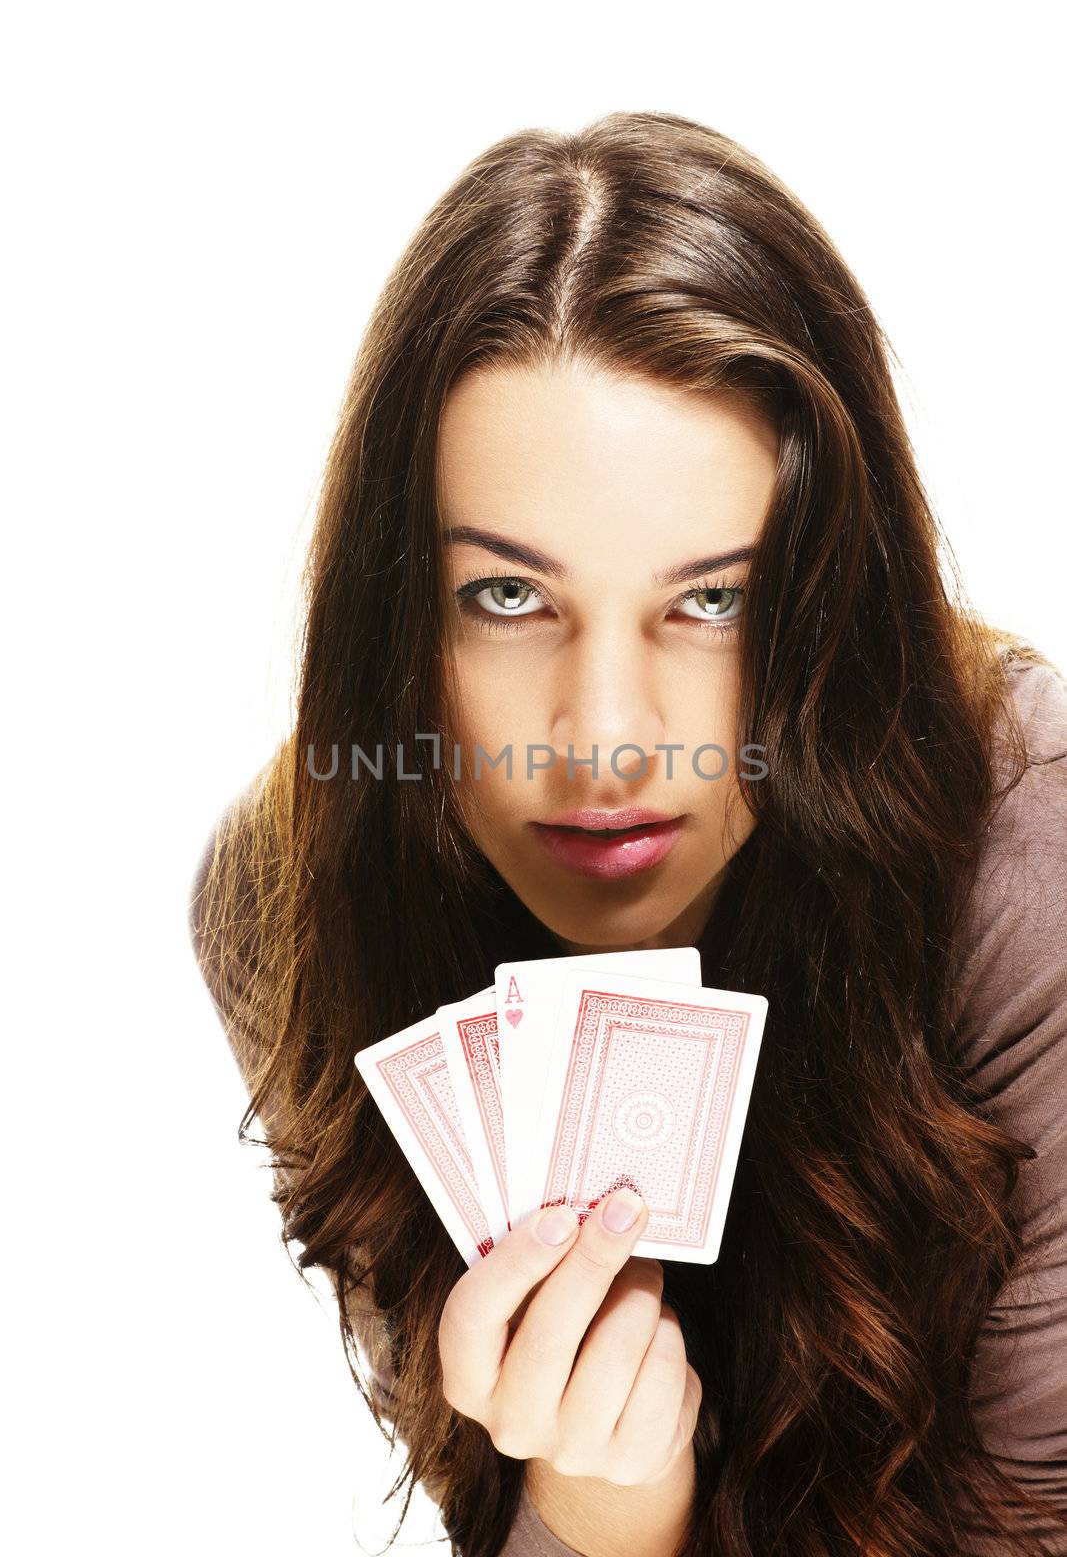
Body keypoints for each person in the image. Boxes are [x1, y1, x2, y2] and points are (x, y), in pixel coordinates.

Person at [187, 111, 1067, 1557]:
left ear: (832, 610)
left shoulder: (1027, 861)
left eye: (713, 599)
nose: (603, 738)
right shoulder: (287, 907)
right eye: (509, 599)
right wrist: (595, 1517)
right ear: (398, 616)